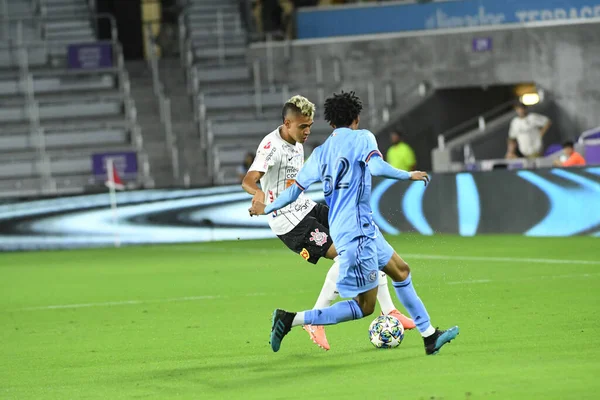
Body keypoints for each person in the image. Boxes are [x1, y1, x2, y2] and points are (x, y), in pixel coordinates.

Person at [250, 91, 459, 355]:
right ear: (356, 118)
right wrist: (408, 175)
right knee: (364, 306)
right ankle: (291, 319)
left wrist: (266, 208)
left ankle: (429, 336)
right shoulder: (364, 137)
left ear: (331, 122)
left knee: (401, 271)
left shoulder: (320, 152)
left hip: (361, 227)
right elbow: (377, 168)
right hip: (356, 233)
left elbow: (293, 191)